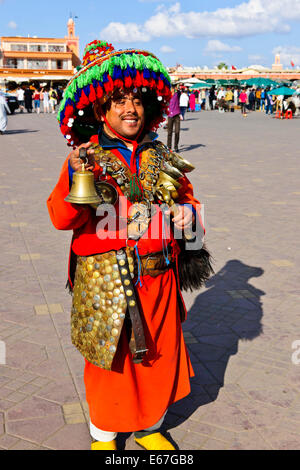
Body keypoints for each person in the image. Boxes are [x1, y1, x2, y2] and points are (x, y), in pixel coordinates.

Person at [47, 39, 212, 451]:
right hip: (107, 279)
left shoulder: (162, 155)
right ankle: (104, 432)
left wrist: (188, 217)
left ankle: (150, 426)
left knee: (158, 356)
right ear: (102, 109)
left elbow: (190, 206)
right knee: (110, 361)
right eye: (118, 100)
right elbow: (60, 218)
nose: (130, 109)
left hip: (159, 277)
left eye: (136, 99)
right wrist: (73, 176)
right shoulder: (87, 158)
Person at [167, 85, 181, 152]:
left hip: (176, 115)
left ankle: (176, 147)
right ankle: (169, 147)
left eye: (173, 88)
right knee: (169, 132)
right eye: (171, 89)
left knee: (177, 132)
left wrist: (177, 87)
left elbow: (179, 91)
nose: (172, 90)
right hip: (170, 116)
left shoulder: (177, 94)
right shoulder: (168, 96)